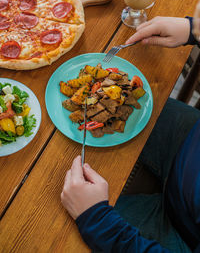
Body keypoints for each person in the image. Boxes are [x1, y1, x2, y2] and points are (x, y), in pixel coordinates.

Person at [61, 15, 200, 253]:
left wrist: (97, 220)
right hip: (187, 142)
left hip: (178, 235)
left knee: (55, 224)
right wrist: (192, 30)